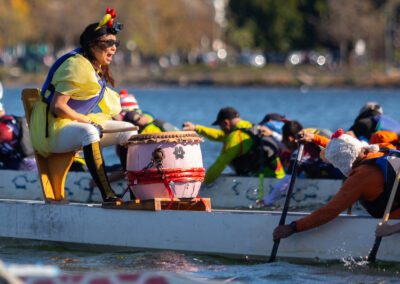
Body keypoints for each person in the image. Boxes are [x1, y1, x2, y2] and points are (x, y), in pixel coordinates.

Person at [29, 8, 137, 202]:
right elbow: (58, 106)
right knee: (90, 132)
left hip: (73, 125)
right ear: (91, 45)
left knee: (130, 131)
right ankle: (108, 195)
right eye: (109, 43)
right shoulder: (76, 65)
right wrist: (86, 120)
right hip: (52, 131)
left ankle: (135, 192)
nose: (114, 48)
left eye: (116, 43)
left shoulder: (95, 67)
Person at [273, 129, 400, 240]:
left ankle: (392, 229)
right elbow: (341, 148)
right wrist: (313, 138)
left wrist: (293, 227)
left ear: (343, 165)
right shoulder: (382, 148)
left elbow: (329, 211)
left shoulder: (360, 177)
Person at [183, 107, 285, 184]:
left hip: (264, 181)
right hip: (280, 175)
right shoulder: (250, 127)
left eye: (221, 126)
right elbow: (220, 135)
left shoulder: (235, 138)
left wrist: (200, 183)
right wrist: (196, 128)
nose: (221, 129)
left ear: (226, 123)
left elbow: (219, 165)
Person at [0, 102, 36, 171]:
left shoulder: (4, 127)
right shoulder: (14, 119)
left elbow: (7, 135)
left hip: (20, 165)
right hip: (33, 161)